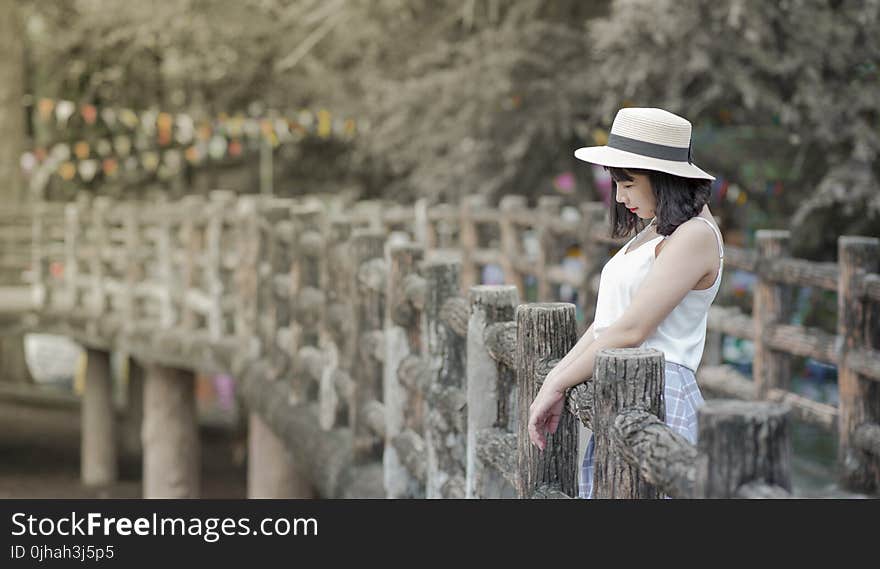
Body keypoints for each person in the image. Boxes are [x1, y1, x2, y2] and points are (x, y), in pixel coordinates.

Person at [526, 107, 725, 498]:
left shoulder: (695, 235)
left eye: (629, 183)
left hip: (660, 395)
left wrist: (557, 380)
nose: (619, 195)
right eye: (616, 183)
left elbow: (633, 329)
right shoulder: (659, 228)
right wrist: (554, 380)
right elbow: (608, 325)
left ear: (664, 178)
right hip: (624, 388)